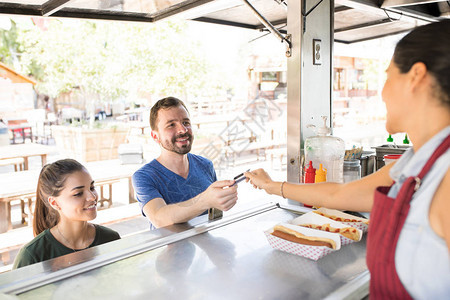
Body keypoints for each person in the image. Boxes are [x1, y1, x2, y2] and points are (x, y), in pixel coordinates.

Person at [245, 20, 450, 299]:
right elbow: (342, 192)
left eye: (389, 77)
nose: (383, 92)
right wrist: (273, 186)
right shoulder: (419, 159)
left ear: (416, 77)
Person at [132, 97, 238, 229]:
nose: (183, 130)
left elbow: (213, 216)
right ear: (155, 136)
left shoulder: (206, 165)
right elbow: (159, 218)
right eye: (171, 125)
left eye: (186, 122)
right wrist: (205, 200)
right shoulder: (144, 176)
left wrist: (223, 200)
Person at [13, 159, 120, 269]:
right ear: (54, 203)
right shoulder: (32, 256)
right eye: (78, 193)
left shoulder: (110, 239)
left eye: (92, 188)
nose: (92, 197)